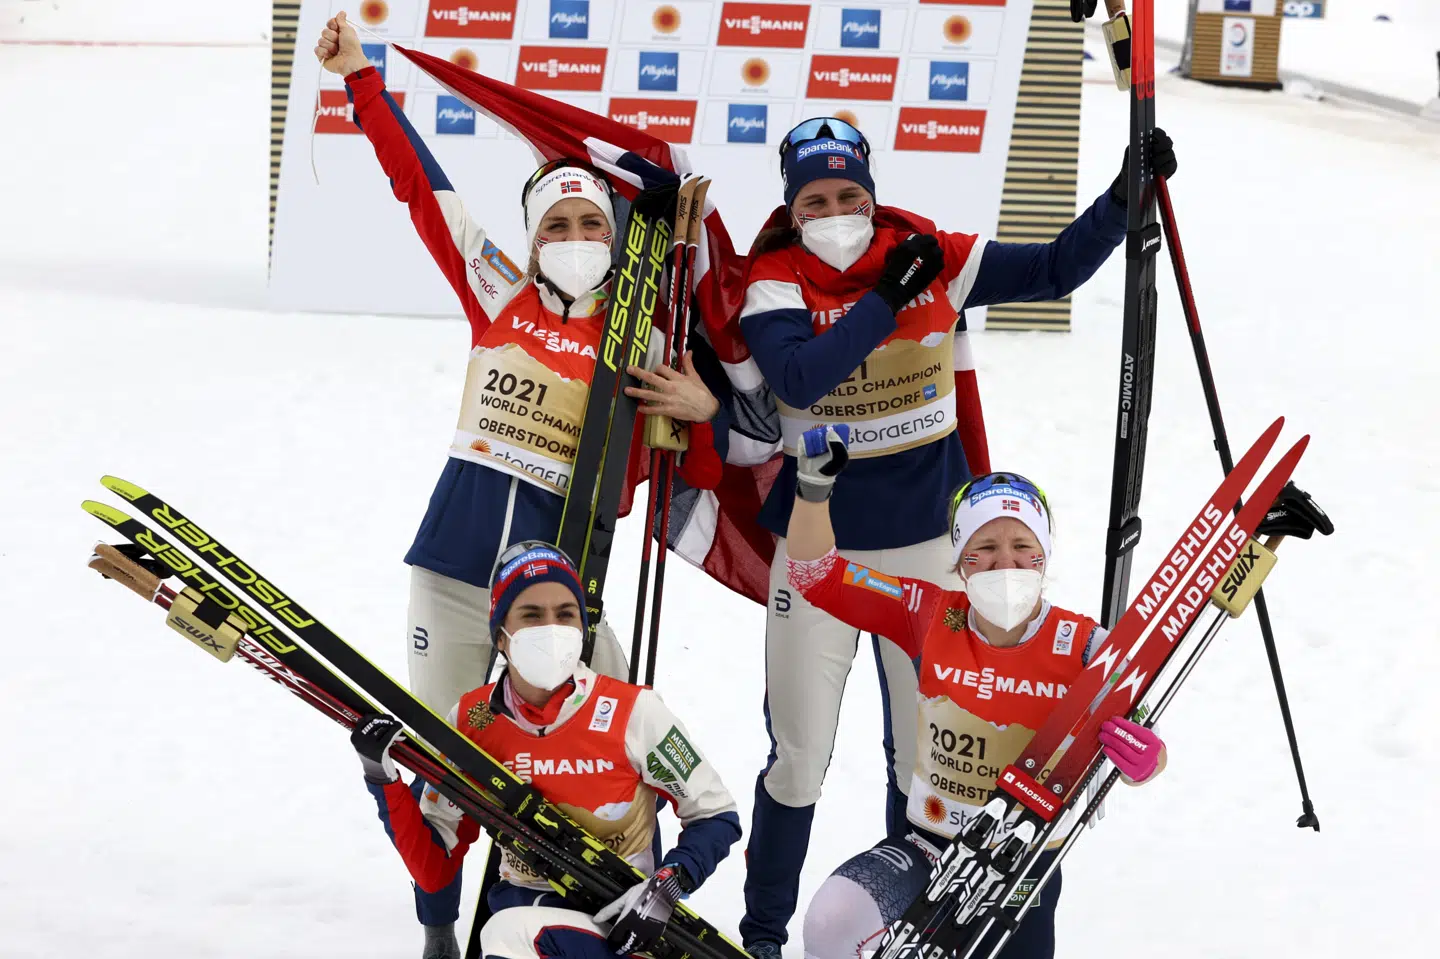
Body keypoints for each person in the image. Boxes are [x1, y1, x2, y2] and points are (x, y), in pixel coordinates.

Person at [734, 116, 1178, 953]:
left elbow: (1052, 270)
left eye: (851, 196)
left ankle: (915, 922)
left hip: (925, 554)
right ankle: (762, 935)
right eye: (817, 200)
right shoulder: (776, 279)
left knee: (921, 759)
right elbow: (797, 376)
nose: (837, 212)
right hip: (818, 548)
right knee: (797, 753)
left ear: (872, 193)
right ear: (794, 210)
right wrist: (883, 302)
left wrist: (1125, 195)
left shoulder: (932, 253)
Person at [314, 12, 729, 716]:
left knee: (606, 752)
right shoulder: (499, 291)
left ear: (613, 233)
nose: (575, 238)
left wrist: (705, 418)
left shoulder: (642, 338)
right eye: (556, 226)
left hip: (560, 592)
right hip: (452, 570)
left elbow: (687, 484)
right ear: (533, 242)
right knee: (451, 766)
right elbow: (423, 188)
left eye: (590, 223)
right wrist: (361, 77)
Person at [783, 425, 1166, 959]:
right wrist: (812, 492)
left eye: (1021, 546)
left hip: (1021, 870)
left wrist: (1144, 760)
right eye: (984, 547)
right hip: (928, 848)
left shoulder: (1086, 646)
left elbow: (1142, 731)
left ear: (1044, 556)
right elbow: (814, 574)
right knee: (832, 920)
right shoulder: (931, 611)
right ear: (961, 557)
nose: (1003, 564)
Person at [350, 542, 743, 959]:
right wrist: (382, 779)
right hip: (525, 917)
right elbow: (435, 864)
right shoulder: (472, 720)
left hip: (619, 928)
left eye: (565, 614)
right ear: (501, 635)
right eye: (532, 615)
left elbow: (716, 813)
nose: (551, 629)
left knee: (505, 934)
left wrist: (667, 886)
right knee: (508, 931)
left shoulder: (633, 711)